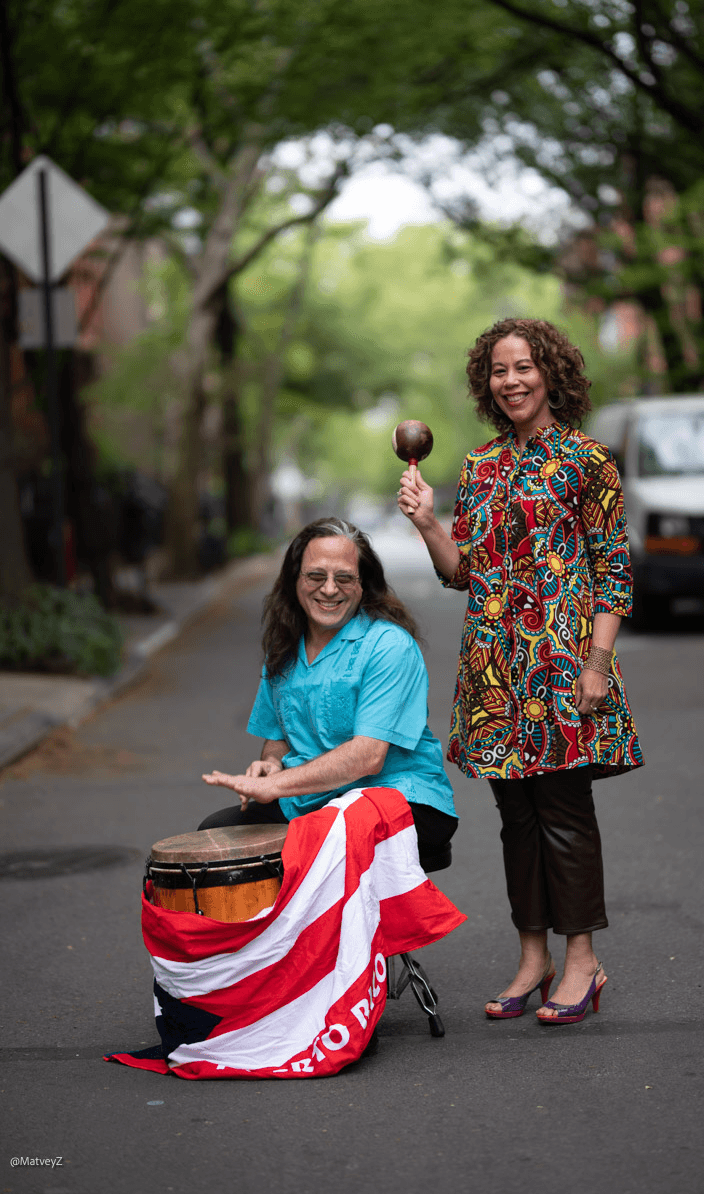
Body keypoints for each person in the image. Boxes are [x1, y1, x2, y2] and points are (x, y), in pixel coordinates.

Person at [397, 318, 643, 1025]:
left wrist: (598, 662)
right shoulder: (479, 467)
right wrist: (426, 523)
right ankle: (533, 958)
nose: (511, 380)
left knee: (564, 814)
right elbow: (461, 572)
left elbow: (612, 571)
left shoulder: (587, 460)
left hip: (564, 663)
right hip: (496, 669)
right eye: (499, 370)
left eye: (524, 367)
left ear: (551, 373)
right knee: (515, 819)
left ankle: (583, 963)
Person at [200, 517, 458, 861]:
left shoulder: (388, 645)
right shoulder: (286, 649)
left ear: (363, 584)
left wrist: (273, 786)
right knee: (214, 839)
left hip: (398, 797)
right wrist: (272, 765)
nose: (330, 589)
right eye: (316, 576)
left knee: (319, 844)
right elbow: (277, 737)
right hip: (313, 800)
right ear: (295, 580)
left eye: (344, 578)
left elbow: (368, 756)